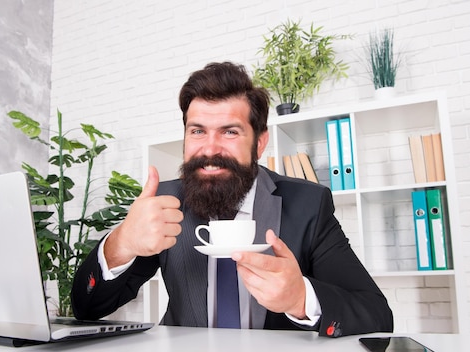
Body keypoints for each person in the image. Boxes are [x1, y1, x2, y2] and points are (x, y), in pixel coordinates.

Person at [71, 61, 393, 337]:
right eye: (197, 131)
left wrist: (300, 298)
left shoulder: (307, 204)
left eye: (230, 132)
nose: (210, 149)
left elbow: (377, 315)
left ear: (260, 142)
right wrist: (121, 244)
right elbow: (87, 307)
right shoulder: (166, 203)